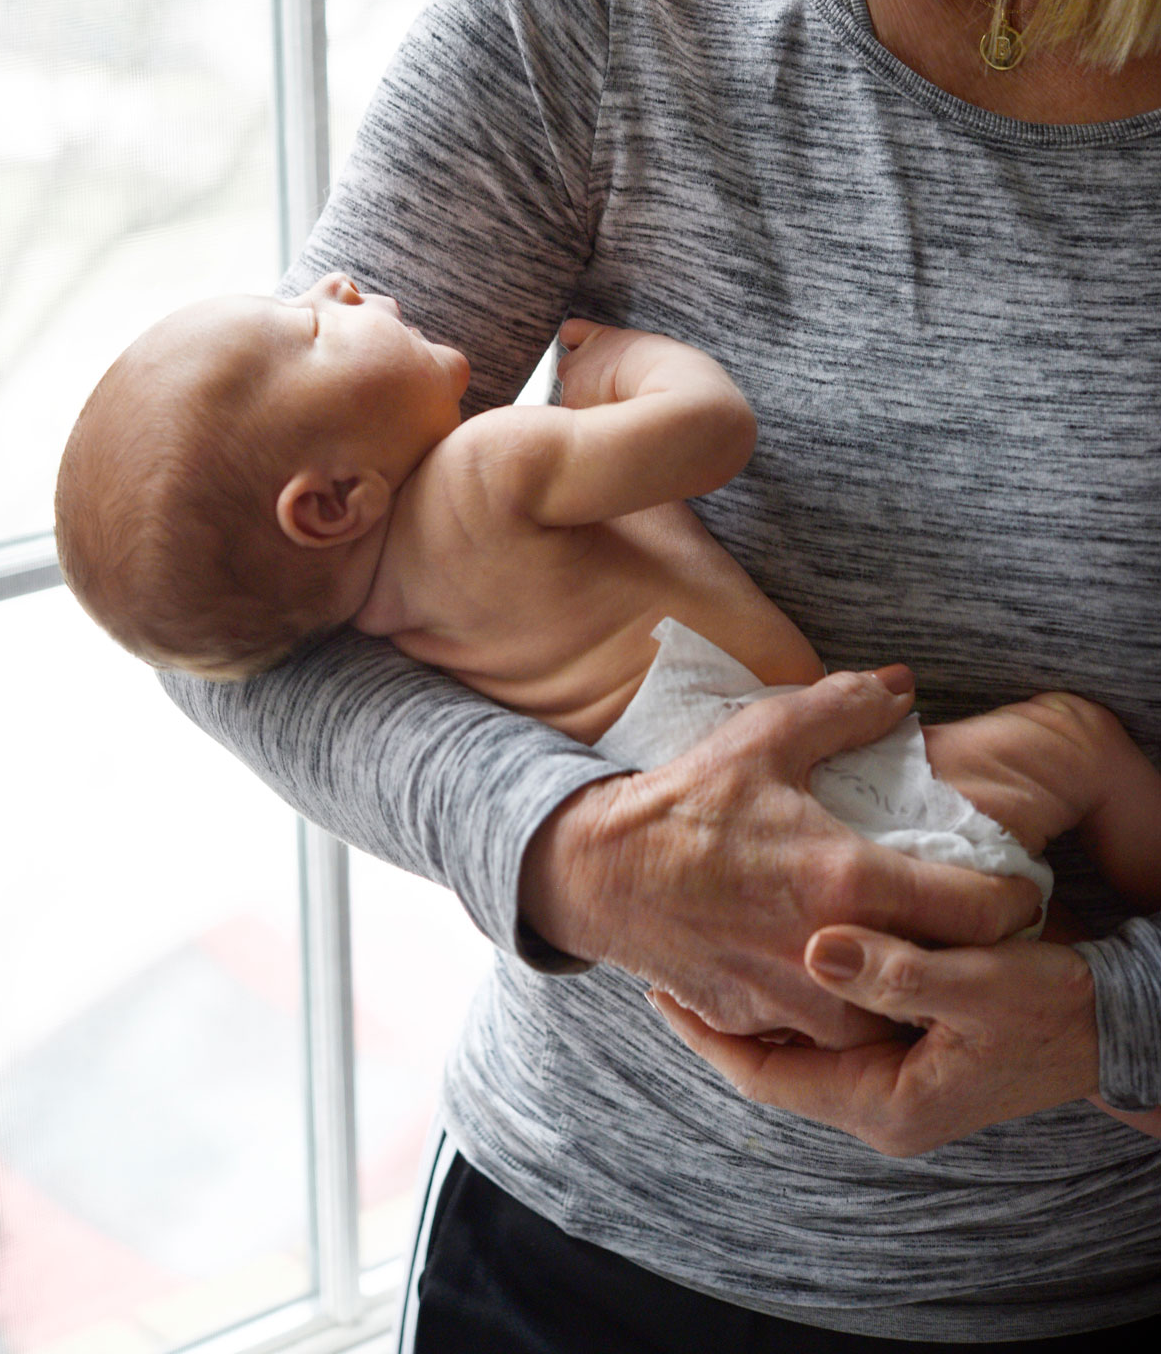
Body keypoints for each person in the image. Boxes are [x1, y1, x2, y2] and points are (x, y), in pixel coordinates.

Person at [154, 0, 1161, 1345]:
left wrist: (1098, 1016)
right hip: (575, 1279)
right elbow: (233, 606)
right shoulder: (585, 19)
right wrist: (579, 855)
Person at [58, 286, 1159, 976]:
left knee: (1020, 970)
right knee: (1077, 744)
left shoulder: (386, 624)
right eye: (313, 323)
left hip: (755, 911)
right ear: (332, 501)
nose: (340, 283)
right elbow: (712, 431)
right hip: (857, 803)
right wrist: (620, 365)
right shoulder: (485, 469)